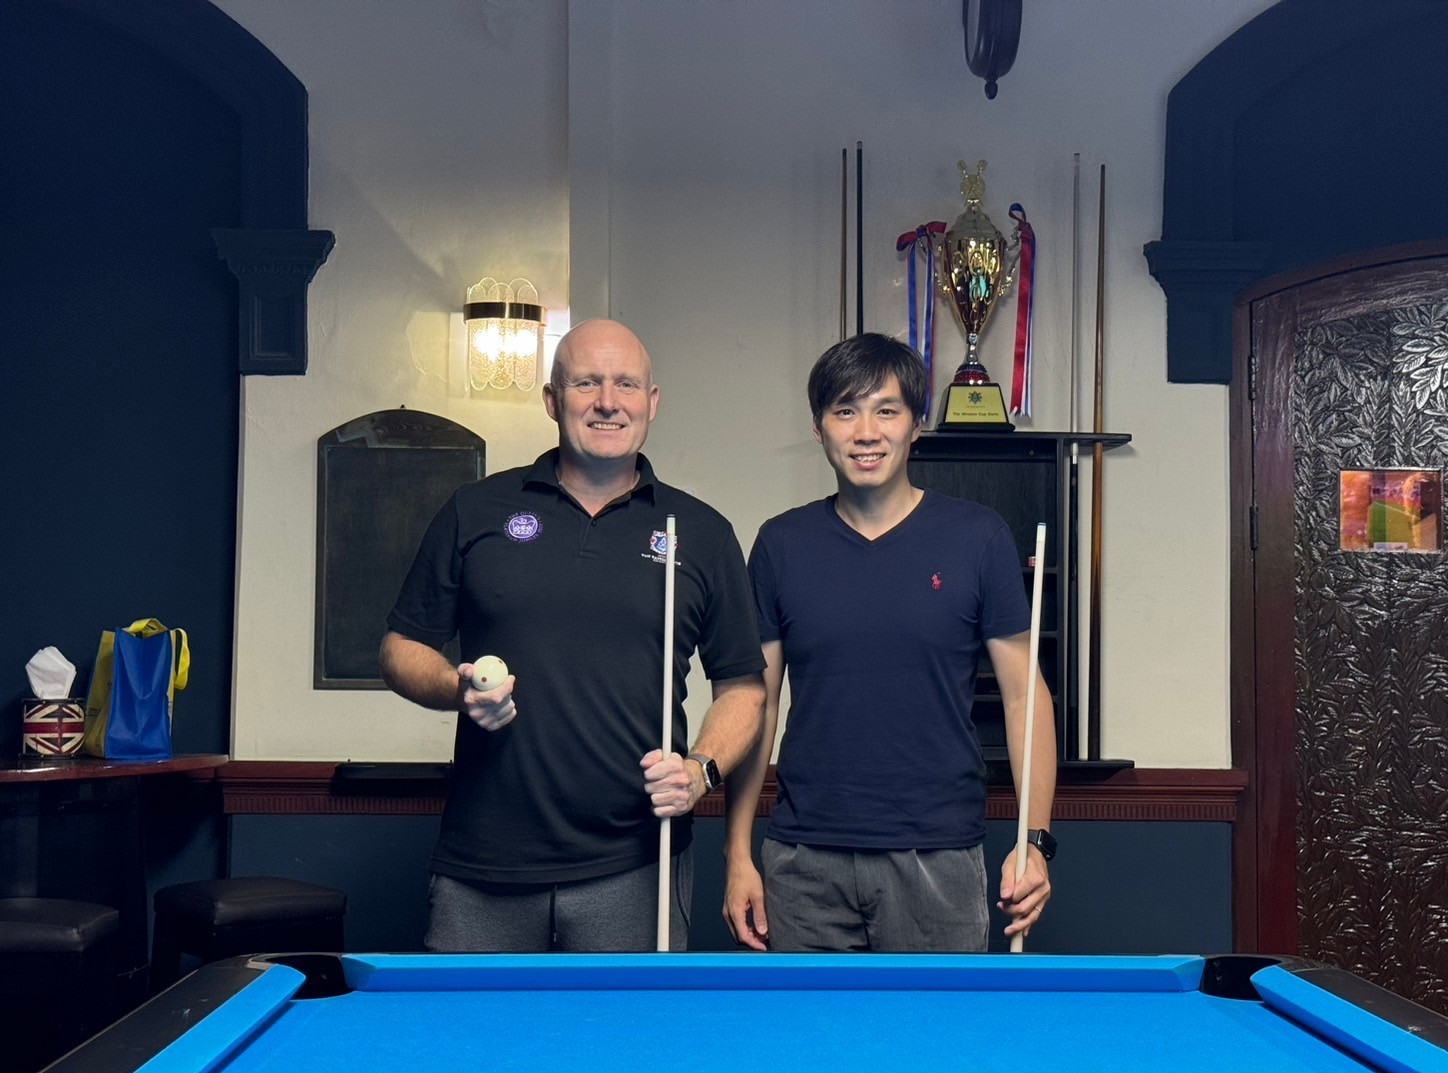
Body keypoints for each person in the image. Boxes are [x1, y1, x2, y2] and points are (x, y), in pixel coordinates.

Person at [382, 318, 765, 953]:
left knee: (626, 1025)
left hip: (637, 861)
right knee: (474, 1024)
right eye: (586, 383)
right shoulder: (475, 510)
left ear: (652, 402)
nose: (608, 402)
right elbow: (399, 649)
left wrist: (700, 770)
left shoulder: (700, 532)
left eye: (626, 385)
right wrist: (457, 688)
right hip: (484, 862)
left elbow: (744, 689)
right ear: (552, 400)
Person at [723, 332, 1057, 953]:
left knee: (934, 1023)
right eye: (845, 411)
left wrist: (1033, 842)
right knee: (808, 1024)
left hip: (938, 856)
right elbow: (755, 706)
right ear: (819, 428)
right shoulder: (780, 544)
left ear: (916, 425)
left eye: (886, 410)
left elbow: (1024, 697)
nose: (866, 432)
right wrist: (738, 853)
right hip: (803, 859)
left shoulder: (978, 537)